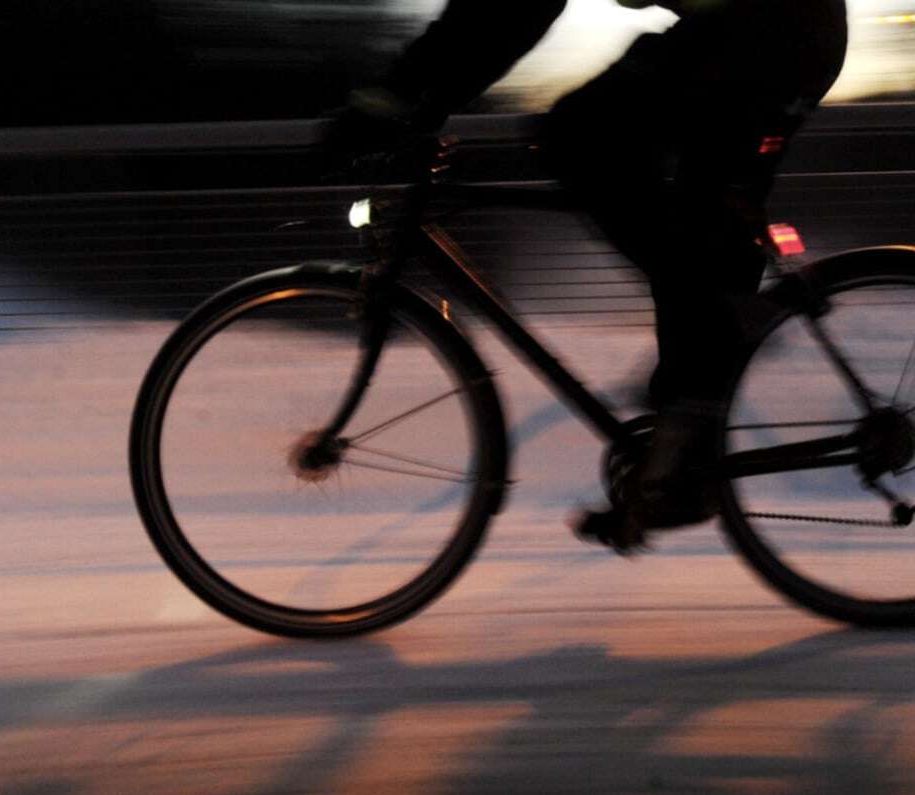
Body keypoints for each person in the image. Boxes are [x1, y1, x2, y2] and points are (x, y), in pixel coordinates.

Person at [326, 0, 848, 551]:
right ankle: (684, 434)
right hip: (759, 31)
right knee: (684, 209)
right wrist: (416, 101)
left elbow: (502, 16)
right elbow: (492, 20)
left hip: (771, 32)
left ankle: (702, 368)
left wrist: (398, 99)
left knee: (581, 134)